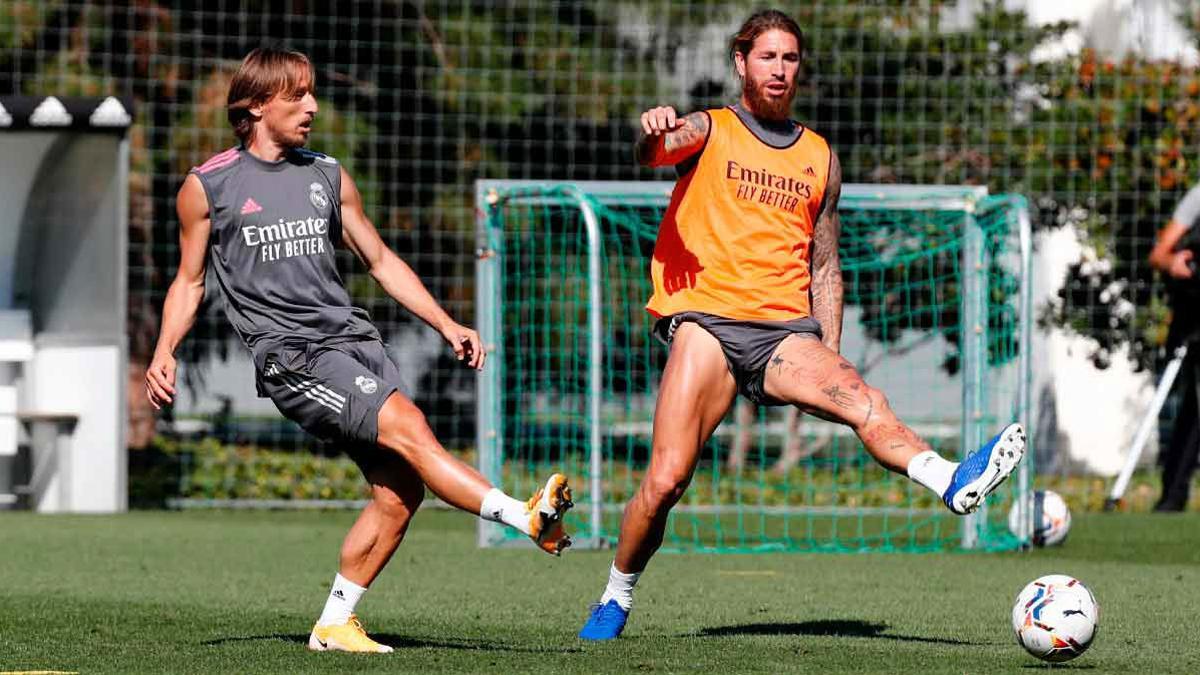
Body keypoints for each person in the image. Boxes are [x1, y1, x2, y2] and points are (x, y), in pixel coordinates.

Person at [578, 9, 1026, 640]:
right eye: (768, 57)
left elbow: (824, 265)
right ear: (741, 63)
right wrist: (653, 130)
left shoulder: (821, 157)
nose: (780, 70)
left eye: (790, 59)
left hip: (785, 330)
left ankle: (949, 479)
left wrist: (829, 354)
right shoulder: (712, 129)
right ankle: (616, 594)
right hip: (706, 319)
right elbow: (656, 150)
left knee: (864, 399)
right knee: (667, 479)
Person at [144, 47, 573, 654]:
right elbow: (190, 281)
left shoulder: (328, 174)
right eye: (297, 96)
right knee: (411, 426)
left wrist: (447, 322)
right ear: (258, 104)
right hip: (290, 356)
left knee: (400, 492)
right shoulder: (208, 186)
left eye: (313, 93)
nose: (312, 107)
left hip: (354, 344)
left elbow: (379, 261)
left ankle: (334, 624)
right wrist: (165, 349)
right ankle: (520, 516)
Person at [1147, 185, 1200, 511]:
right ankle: (1172, 495)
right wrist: (1172, 262)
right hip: (1195, 318)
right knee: (1192, 408)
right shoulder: (1198, 197)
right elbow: (1159, 254)